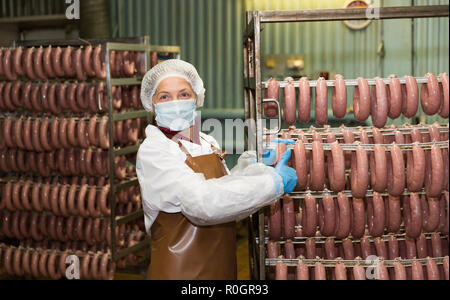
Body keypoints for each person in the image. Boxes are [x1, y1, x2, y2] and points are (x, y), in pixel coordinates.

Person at [136, 59, 297, 280]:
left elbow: (224, 190)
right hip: (180, 272)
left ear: (197, 98)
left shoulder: (205, 140)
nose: (175, 103)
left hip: (221, 267)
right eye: (164, 96)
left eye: (184, 94)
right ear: (152, 104)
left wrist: (256, 165)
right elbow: (202, 203)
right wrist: (271, 183)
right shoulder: (154, 150)